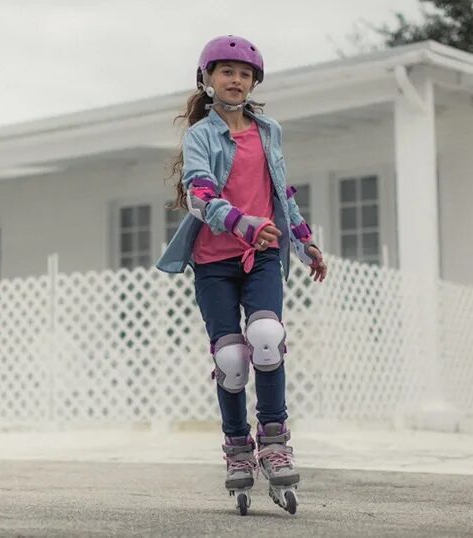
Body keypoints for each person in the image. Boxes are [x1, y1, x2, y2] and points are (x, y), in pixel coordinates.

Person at [157, 35, 327, 515]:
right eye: (226, 71)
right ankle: (237, 447)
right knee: (232, 358)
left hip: (264, 257)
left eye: (244, 73)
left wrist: (305, 239)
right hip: (215, 260)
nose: (236, 80)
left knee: (267, 335)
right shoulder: (201, 136)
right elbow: (200, 196)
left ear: (254, 82)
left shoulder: (268, 130)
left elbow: (282, 192)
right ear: (207, 79)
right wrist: (244, 223)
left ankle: (274, 441)